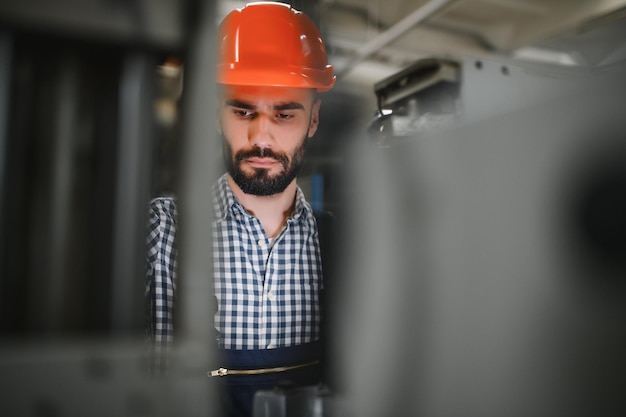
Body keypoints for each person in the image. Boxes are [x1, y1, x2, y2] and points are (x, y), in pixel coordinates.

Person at [145, 2, 336, 416]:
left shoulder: (340, 246)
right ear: (217, 114)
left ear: (314, 120)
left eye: (284, 113)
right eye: (243, 110)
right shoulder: (162, 233)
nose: (261, 136)